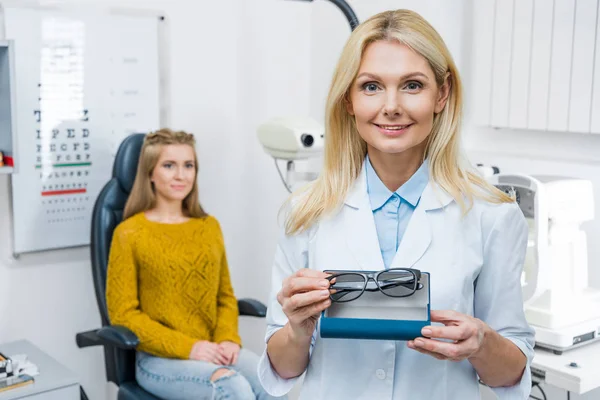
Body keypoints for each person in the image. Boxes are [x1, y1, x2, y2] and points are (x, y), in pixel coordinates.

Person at [258, 9, 535, 400]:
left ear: (442, 94)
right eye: (371, 86)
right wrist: (297, 329)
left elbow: (510, 374)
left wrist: (482, 342)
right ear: (349, 100)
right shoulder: (305, 212)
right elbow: (283, 368)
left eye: (412, 85)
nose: (391, 106)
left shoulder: (493, 216)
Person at [106, 129, 284, 400]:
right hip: (159, 361)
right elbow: (124, 315)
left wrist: (227, 339)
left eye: (188, 165)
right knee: (231, 387)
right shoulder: (129, 233)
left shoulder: (208, 226)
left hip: (213, 348)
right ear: (150, 173)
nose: (181, 175)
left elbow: (224, 296)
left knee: (272, 381)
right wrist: (190, 347)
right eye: (169, 166)